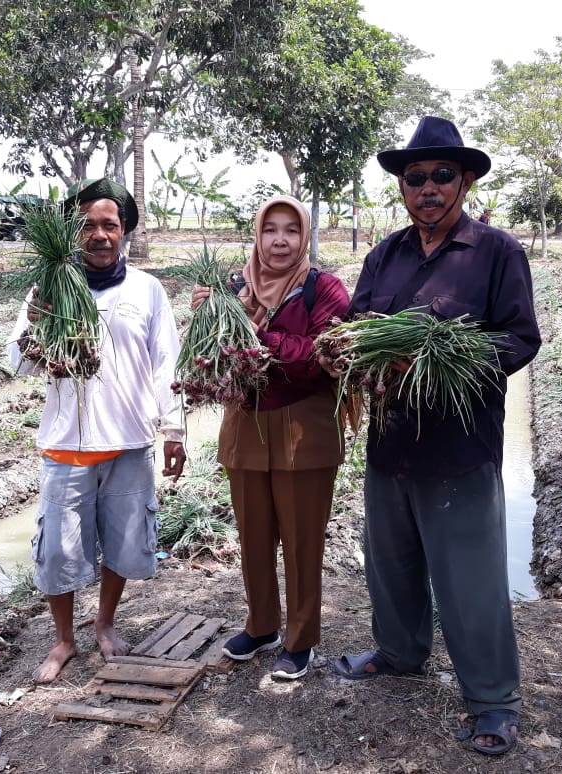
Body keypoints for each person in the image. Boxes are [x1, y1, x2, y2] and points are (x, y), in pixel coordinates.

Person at [327, 116, 542, 755]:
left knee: (469, 577)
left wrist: (441, 359)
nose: (427, 187)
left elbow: (520, 337)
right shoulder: (383, 255)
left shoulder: (496, 252)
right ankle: (399, 653)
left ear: (465, 180)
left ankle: (493, 701)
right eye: (414, 177)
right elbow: (359, 323)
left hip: (460, 446)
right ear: (401, 187)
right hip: (390, 440)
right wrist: (360, 352)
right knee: (390, 563)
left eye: (441, 176)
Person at [6, 178, 187, 684]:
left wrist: (174, 430)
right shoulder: (49, 286)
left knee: (124, 542)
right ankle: (64, 639)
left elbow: (165, 364)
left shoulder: (147, 290)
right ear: (74, 231)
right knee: (58, 549)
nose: (100, 234)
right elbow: (16, 363)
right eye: (88, 225)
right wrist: (33, 329)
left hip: (130, 441)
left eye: (111, 224)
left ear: (125, 231)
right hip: (67, 445)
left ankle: (105, 622)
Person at [190, 195, 350, 680]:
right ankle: (261, 625)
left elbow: (321, 355)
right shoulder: (235, 287)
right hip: (246, 425)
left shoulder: (326, 289)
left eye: (291, 230)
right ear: (256, 236)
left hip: (305, 426)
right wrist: (207, 317)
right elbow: (210, 353)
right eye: (269, 230)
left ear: (305, 238)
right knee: (254, 535)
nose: (280, 240)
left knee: (302, 541)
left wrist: (256, 333)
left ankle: (300, 639)